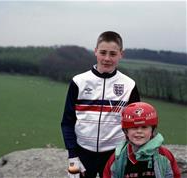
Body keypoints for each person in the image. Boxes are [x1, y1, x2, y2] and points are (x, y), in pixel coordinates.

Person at [61, 31, 140, 178]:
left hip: (115, 155)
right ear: (95, 51)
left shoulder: (129, 85)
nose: (107, 58)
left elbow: (136, 126)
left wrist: (129, 155)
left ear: (121, 54)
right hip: (80, 153)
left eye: (113, 54)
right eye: (103, 52)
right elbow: (67, 122)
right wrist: (72, 157)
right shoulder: (79, 81)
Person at [103, 102, 181, 178]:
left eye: (144, 127)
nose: (139, 131)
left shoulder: (164, 155)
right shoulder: (118, 158)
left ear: (152, 130)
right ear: (126, 131)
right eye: (134, 127)